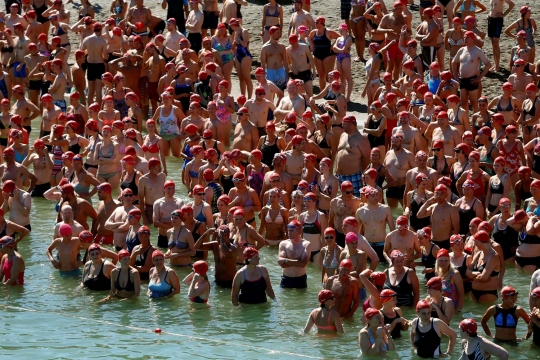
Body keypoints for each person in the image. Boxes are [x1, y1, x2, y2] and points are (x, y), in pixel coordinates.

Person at [335, 115, 371, 197]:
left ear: (351, 124)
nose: (342, 126)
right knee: (345, 201)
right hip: (340, 176)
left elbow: (367, 158)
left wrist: (364, 174)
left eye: (344, 124)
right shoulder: (343, 135)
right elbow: (339, 153)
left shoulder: (361, 138)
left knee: (357, 200)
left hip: (355, 176)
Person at [467, 230, 501, 303]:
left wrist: (472, 276)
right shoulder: (478, 254)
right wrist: (477, 274)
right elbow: (467, 273)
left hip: (488, 293)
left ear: (481, 242)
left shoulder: (493, 256)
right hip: (474, 292)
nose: (474, 244)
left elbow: (483, 277)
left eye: (475, 241)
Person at [278, 220, 310, 289]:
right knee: (284, 299)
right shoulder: (283, 243)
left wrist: (285, 260)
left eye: (291, 231)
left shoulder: (306, 244)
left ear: (299, 231)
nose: (289, 233)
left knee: (300, 299)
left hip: (300, 279)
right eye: (288, 230)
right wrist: (298, 261)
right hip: (285, 278)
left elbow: (303, 264)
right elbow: (282, 264)